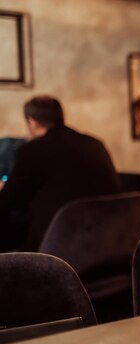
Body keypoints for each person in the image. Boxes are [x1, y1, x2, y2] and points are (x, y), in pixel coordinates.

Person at [0, 96, 121, 251]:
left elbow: (7, 201)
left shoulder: (33, 149)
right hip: (108, 241)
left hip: (58, 246)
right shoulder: (95, 144)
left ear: (32, 121)